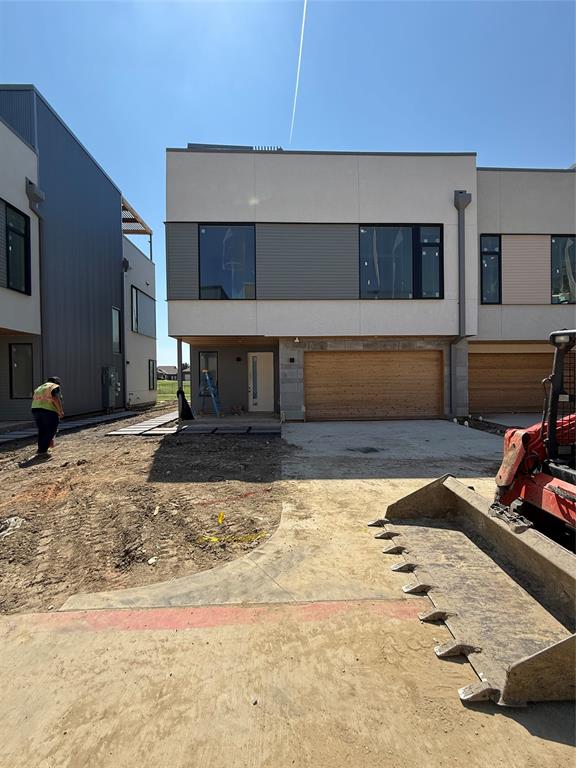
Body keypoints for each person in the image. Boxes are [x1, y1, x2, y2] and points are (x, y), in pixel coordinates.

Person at [30, 376, 64, 460]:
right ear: (57, 382)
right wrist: (60, 411)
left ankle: (41, 450)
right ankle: (43, 452)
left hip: (35, 410)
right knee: (51, 430)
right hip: (48, 411)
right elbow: (55, 398)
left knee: (42, 430)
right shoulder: (53, 386)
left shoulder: (40, 387)